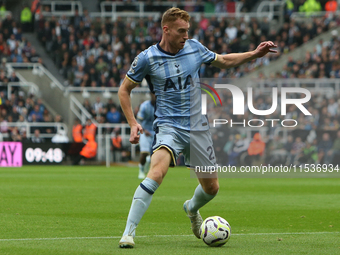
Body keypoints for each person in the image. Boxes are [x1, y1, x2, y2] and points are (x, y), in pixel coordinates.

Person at [118, 7, 276, 248]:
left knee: (212, 189)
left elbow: (223, 61)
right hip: (168, 126)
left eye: (187, 31)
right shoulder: (147, 58)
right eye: (181, 31)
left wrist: (254, 54)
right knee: (157, 173)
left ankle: (191, 208)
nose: (185, 36)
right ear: (166, 30)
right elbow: (124, 90)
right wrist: (133, 123)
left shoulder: (194, 48)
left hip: (198, 127)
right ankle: (128, 233)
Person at [136, 93, 156, 179]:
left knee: (154, 155)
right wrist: (143, 130)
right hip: (144, 132)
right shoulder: (145, 106)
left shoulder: (161, 106)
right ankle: (141, 170)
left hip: (156, 133)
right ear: (151, 95)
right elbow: (138, 120)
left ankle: (150, 171)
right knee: (144, 153)